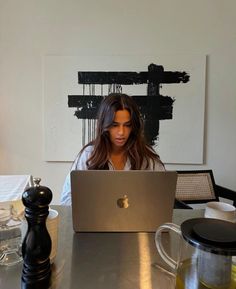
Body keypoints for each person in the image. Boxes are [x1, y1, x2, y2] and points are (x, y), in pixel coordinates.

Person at [61, 93, 165, 205]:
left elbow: (163, 195)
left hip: (138, 221)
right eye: (115, 125)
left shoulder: (146, 156)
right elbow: (67, 200)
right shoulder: (89, 154)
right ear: (104, 125)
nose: (121, 132)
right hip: (96, 222)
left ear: (134, 126)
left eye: (127, 125)